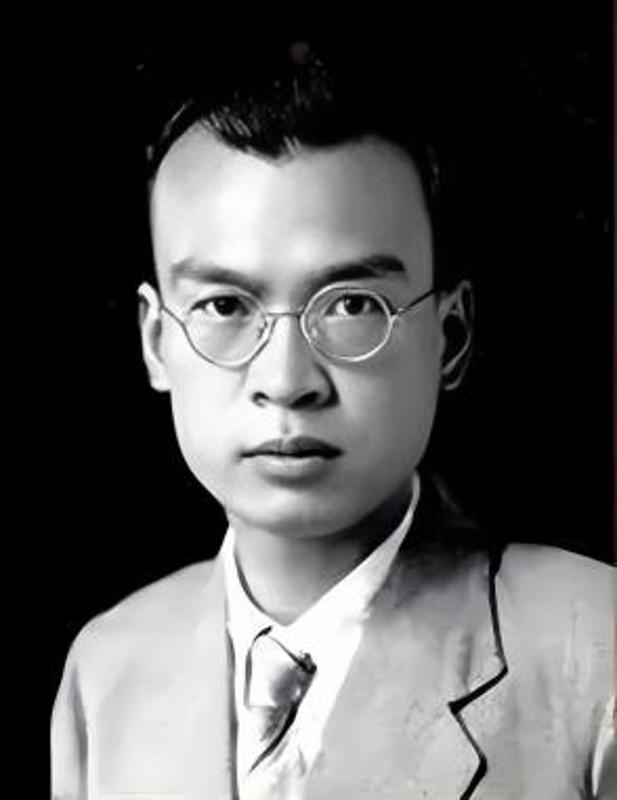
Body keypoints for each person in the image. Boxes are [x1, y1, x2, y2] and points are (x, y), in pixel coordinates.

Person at [51, 40, 615, 799]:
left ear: (449, 336)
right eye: (224, 306)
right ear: (156, 342)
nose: (286, 382)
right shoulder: (107, 668)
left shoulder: (593, 648)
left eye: (353, 305)